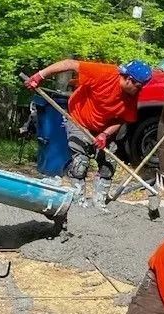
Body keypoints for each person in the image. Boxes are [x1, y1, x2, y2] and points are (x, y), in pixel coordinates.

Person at [25, 59, 152, 208]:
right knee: (80, 163)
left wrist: (105, 134)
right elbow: (68, 63)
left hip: (103, 128)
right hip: (79, 120)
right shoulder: (104, 74)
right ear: (129, 79)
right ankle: (79, 204)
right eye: (139, 85)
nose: (141, 89)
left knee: (108, 164)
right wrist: (40, 76)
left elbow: (121, 120)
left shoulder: (131, 95)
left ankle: (99, 203)